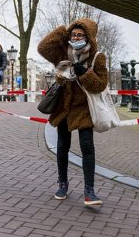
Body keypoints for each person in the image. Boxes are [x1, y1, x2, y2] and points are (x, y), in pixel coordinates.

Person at [37, 18, 108, 206]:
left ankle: (89, 191)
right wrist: (63, 31)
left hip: (84, 107)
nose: (76, 38)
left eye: (80, 35)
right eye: (73, 34)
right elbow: (43, 48)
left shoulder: (97, 56)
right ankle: (62, 184)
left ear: (89, 37)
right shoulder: (62, 52)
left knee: (87, 147)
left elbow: (100, 85)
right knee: (62, 146)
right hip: (64, 106)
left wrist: (84, 73)